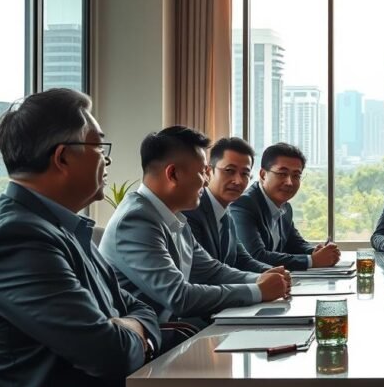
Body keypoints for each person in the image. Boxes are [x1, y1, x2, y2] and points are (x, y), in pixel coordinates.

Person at [0, 89, 279, 387]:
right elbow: (109, 353)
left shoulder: (62, 227)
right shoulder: (18, 238)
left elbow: (136, 306)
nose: (106, 161)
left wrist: (130, 324)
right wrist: (132, 329)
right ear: (63, 158)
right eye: (99, 148)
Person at [99, 126, 292, 330]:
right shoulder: (136, 220)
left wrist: (261, 278)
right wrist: (258, 291)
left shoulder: (173, 216)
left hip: (175, 329)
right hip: (150, 340)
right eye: (202, 172)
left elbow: (212, 271)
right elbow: (179, 297)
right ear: (172, 174)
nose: (206, 181)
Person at [228, 142, 341, 270]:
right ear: (263, 175)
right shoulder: (243, 205)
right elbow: (255, 256)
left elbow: (296, 244)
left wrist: (319, 251)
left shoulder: (285, 207)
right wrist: (312, 261)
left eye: (296, 176)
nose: (289, 182)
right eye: (282, 174)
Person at [184, 137, 271, 273]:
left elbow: (243, 260)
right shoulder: (191, 210)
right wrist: (261, 280)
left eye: (245, 174)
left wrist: (273, 272)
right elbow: (205, 271)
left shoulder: (227, 214)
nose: (238, 181)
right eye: (229, 171)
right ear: (208, 172)